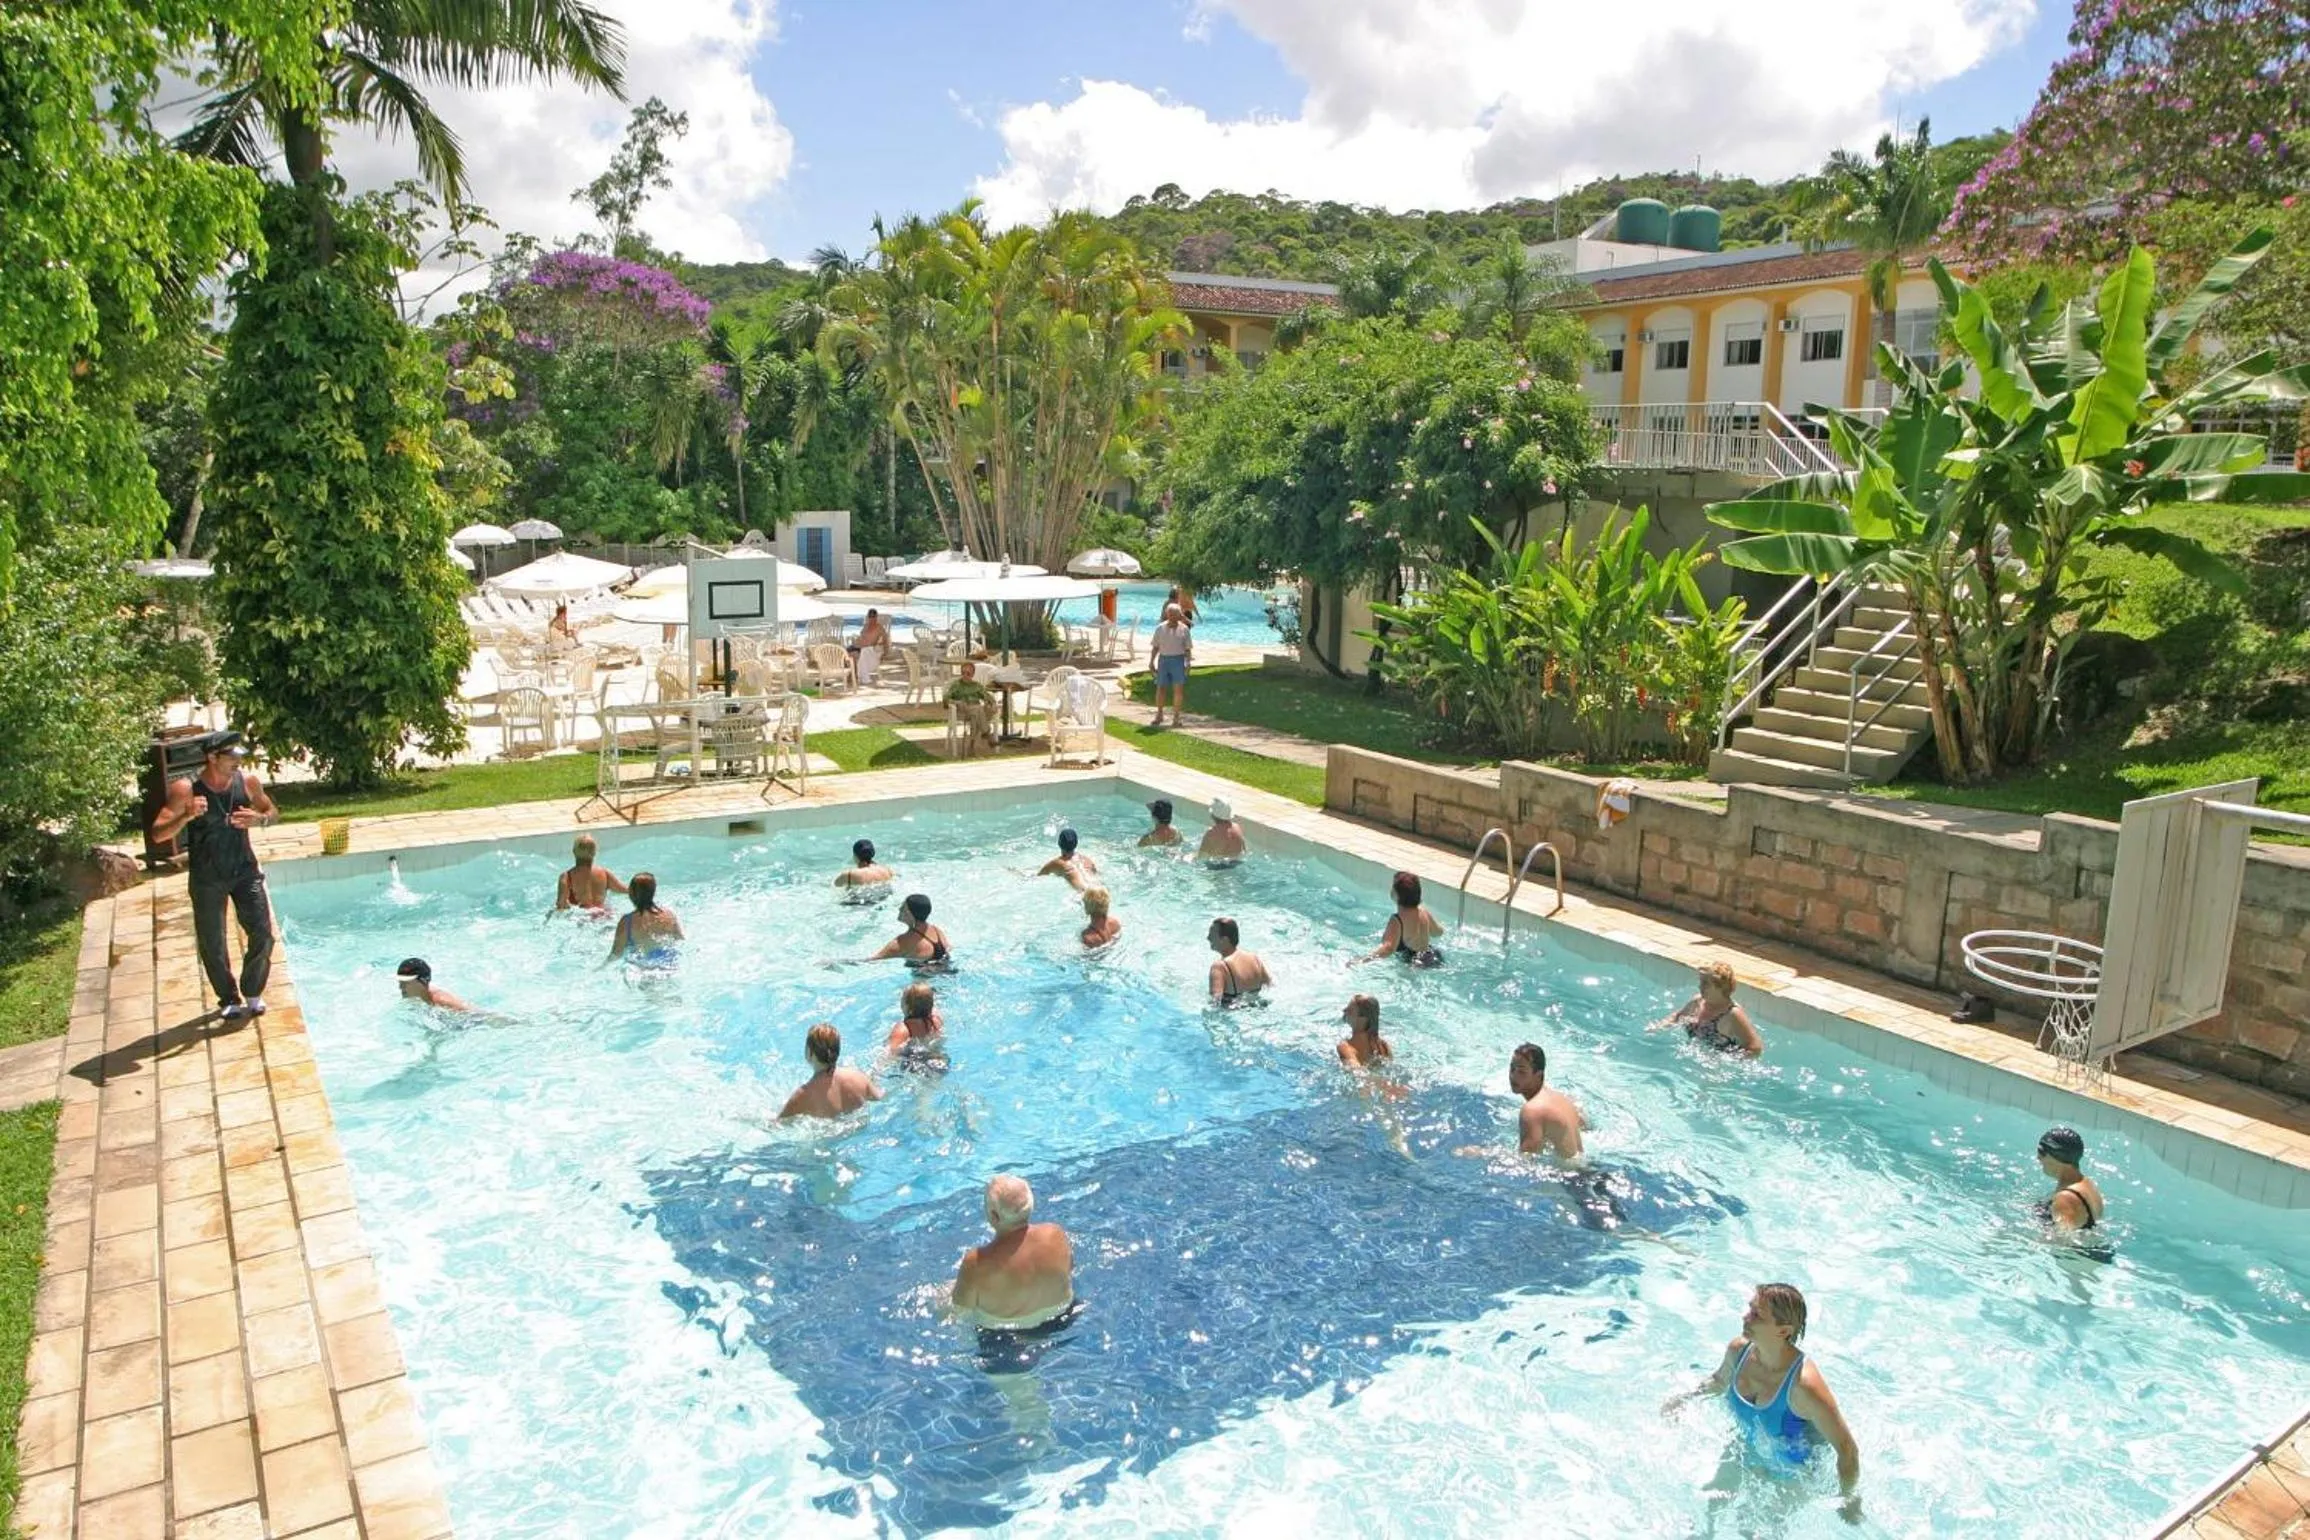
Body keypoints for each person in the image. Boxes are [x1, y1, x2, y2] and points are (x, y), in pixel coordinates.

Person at [1671, 1284, 1861, 1511]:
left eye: (1757, 1315)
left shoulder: (1803, 1386)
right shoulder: (1738, 1351)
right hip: (1748, 1450)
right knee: (1710, 1509)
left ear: (1783, 1331)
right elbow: (1719, 1381)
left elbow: (1847, 1449)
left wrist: (1848, 1500)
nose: (1745, 1317)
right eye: (1750, 1309)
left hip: (1793, 1473)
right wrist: (1685, 1398)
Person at [149, 730, 278, 1020]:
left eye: (239, 756)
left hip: (244, 870)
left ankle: (253, 990)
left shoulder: (248, 782)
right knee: (213, 941)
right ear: (212, 757)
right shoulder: (186, 788)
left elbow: (272, 811)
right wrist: (186, 816)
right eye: (231, 757)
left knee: (262, 932)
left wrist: (260, 819)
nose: (237, 762)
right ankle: (228, 997)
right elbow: (158, 834)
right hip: (207, 876)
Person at [952, 1174, 1075, 1328]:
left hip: (1007, 1334)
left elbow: (960, 1311)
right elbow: (1069, 1270)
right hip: (1063, 1319)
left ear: (994, 1216)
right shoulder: (1056, 1234)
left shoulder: (976, 1262)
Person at [1656, 961, 1764, 1057]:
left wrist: (1725, 1061)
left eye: (1705, 984)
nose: (1700, 986)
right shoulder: (1698, 1001)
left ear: (1720, 987)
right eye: (1700, 982)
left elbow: (1755, 1048)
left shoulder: (1732, 1014)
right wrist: (1658, 1026)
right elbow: (1677, 1016)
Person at [780, 1024, 882, 1119]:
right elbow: (880, 1097)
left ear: (810, 1052)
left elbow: (778, 1125)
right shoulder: (859, 1077)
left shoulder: (803, 1095)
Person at [1509, 1042, 1585, 1161]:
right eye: (1512, 1068)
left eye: (1521, 1072)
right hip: (1588, 1168)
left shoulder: (1532, 1110)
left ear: (1538, 1075)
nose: (1513, 1076)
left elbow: (1525, 1161)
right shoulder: (1562, 1099)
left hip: (1570, 1173)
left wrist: (1484, 1153)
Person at [1365, 870, 1444, 966]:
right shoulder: (1424, 912)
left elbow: (1388, 948)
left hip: (1414, 963)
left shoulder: (1397, 920)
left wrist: (1363, 960)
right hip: (1432, 956)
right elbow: (1438, 932)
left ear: (1396, 895)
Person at [2034, 1126, 2105, 1232]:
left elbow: (2063, 1239)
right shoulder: (2087, 1183)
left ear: (2057, 1156)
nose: (2038, 1157)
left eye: (2041, 1151)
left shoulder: (2065, 1198)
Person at [608, 872, 684, 963]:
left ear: (631, 893)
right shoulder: (669, 915)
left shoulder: (627, 922)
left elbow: (615, 955)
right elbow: (681, 941)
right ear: (653, 892)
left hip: (644, 966)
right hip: (671, 962)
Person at [872, 893, 953, 967]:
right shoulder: (936, 930)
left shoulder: (903, 941)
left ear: (909, 913)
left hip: (923, 976)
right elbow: (948, 949)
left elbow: (874, 959)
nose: (899, 909)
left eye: (903, 907)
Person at [553, 834, 627, 914]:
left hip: (581, 917)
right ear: (595, 853)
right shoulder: (605, 873)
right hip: (603, 915)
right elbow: (625, 890)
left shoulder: (566, 877)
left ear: (574, 851)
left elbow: (561, 904)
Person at [1147, 602, 1194, 727]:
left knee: (1178, 689)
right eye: (1170, 614)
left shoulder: (1184, 629)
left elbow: (1188, 649)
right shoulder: (1160, 628)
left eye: (1175, 615)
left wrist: (1188, 663)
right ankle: (1159, 714)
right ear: (1167, 615)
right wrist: (1151, 661)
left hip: (1178, 660)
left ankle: (1176, 717)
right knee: (1161, 688)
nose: (1172, 617)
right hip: (1163, 660)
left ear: (1179, 615)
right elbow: (1155, 647)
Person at [1207, 917, 1271, 1006]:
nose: (1208, 938)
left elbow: (1215, 1003)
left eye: (1212, 935)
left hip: (1233, 1011)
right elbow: (1270, 986)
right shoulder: (1254, 958)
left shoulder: (1219, 967)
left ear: (1224, 940)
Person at [946, 660, 996, 754]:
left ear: (973, 674)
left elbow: (988, 696)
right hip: (962, 710)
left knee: (976, 714)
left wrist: (992, 703)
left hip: (975, 710)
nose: (965, 675)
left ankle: (971, 747)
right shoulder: (956, 685)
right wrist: (956, 702)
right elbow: (946, 699)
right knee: (979, 709)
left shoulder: (976, 686)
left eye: (968, 673)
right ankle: (987, 733)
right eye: (963, 673)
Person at [885, 983, 945, 1061]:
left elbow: (889, 1054)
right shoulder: (936, 1020)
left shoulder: (903, 1028)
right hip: (938, 1058)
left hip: (914, 1061)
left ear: (907, 1006)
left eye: (902, 999)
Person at [393, 957, 473, 1013]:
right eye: (400, 982)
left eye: (406, 983)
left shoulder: (444, 1001)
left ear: (423, 982)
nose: (400, 987)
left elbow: (478, 1016)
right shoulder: (415, 997)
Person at [1336, 994, 1392, 1067]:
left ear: (1362, 1019)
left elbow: (1356, 1070)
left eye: (1349, 1010)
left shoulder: (1345, 1047)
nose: (1344, 1010)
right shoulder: (1384, 1046)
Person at [1198, 798, 1247, 867]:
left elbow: (1201, 856)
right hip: (1237, 863)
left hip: (1219, 866)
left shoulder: (1211, 833)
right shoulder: (1237, 827)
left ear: (1213, 815)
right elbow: (1244, 850)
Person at [853, 608, 891, 685]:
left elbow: (886, 640)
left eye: (873, 616)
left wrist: (885, 653)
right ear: (868, 617)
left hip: (869, 650)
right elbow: (861, 637)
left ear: (876, 617)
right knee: (846, 653)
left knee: (861, 652)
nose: (872, 618)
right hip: (859, 646)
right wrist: (857, 642)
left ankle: (860, 677)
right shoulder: (866, 626)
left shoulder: (879, 627)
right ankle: (853, 676)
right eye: (870, 616)